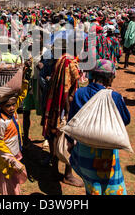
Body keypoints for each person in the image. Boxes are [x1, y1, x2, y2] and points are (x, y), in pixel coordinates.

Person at [67, 59, 131, 195]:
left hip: (84, 152)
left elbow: (71, 120)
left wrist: (69, 142)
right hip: (106, 154)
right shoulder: (114, 97)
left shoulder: (80, 93)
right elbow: (125, 120)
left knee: (92, 188)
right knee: (110, 187)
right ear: (110, 78)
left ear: (92, 75)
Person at [42, 37, 83, 187]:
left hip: (55, 103)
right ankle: (67, 174)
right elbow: (68, 88)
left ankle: (54, 170)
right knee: (69, 139)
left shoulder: (60, 60)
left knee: (54, 135)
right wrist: (67, 110)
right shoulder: (69, 62)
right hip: (65, 106)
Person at [0, 68, 30, 195]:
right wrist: (11, 160)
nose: (12, 107)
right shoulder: (0, 122)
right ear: (1, 106)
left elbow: (21, 95)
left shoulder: (12, 112)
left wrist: (24, 79)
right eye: (8, 105)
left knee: (13, 183)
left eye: (14, 105)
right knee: (9, 186)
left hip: (14, 153)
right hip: (7, 160)